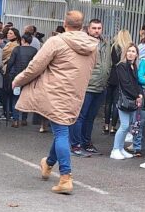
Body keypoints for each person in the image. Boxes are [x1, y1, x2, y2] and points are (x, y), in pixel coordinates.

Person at [13, 11, 99, 194]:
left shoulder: (56, 41)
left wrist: (18, 80)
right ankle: (49, 163)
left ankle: (66, 178)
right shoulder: (92, 45)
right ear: (82, 26)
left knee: (60, 132)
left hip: (54, 92)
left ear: (64, 23)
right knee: (62, 129)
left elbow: (36, 66)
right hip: (76, 93)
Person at [70, 19, 112, 157]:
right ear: (88, 29)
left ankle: (86, 143)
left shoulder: (106, 43)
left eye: (99, 28)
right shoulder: (83, 43)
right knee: (80, 116)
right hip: (86, 86)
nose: (96, 30)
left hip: (100, 86)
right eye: (94, 28)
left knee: (91, 117)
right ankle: (75, 145)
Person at [111, 43, 143, 160]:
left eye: (133, 51)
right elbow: (126, 84)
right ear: (125, 53)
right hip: (124, 99)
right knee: (124, 126)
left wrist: (140, 94)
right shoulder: (121, 66)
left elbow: (136, 83)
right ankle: (115, 149)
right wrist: (137, 96)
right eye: (129, 51)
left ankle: (120, 148)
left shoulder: (133, 66)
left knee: (127, 125)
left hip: (132, 100)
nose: (131, 53)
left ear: (137, 55)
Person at [6, 33, 38, 127]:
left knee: (16, 98)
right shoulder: (35, 50)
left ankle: (16, 120)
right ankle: (24, 119)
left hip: (17, 77)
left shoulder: (17, 49)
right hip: (29, 78)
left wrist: (7, 72)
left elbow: (11, 62)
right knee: (26, 99)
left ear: (23, 40)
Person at [104, 30, 133, 134]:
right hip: (121, 76)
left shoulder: (113, 47)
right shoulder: (128, 49)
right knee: (117, 102)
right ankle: (113, 127)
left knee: (108, 102)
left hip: (112, 75)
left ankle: (106, 125)